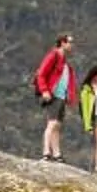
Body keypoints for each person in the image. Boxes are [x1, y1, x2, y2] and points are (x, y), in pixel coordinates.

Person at [32, 33, 75, 161]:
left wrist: (69, 96)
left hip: (61, 96)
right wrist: (45, 90)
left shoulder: (65, 63)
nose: (72, 45)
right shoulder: (53, 56)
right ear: (62, 42)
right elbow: (41, 74)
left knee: (57, 125)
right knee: (52, 123)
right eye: (69, 42)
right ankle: (46, 152)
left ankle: (57, 154)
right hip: (53, 95)